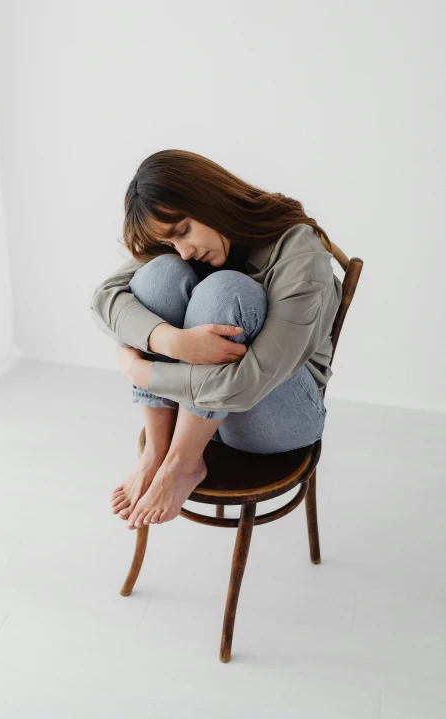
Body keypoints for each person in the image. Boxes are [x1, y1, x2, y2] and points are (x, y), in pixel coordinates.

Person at [89, 149, 342, 530]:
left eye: (183, 231)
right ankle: (159, 453)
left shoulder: (299, 253)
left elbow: (246, 385)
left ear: (209, 198)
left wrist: (143, 373)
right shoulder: (194, 243)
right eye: (173, 240)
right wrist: (170, 341)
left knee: (227, 290)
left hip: (277, 416)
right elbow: (105, 298)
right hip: (197, 410)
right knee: (158, 275)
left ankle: (184, 461)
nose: (185, 250)